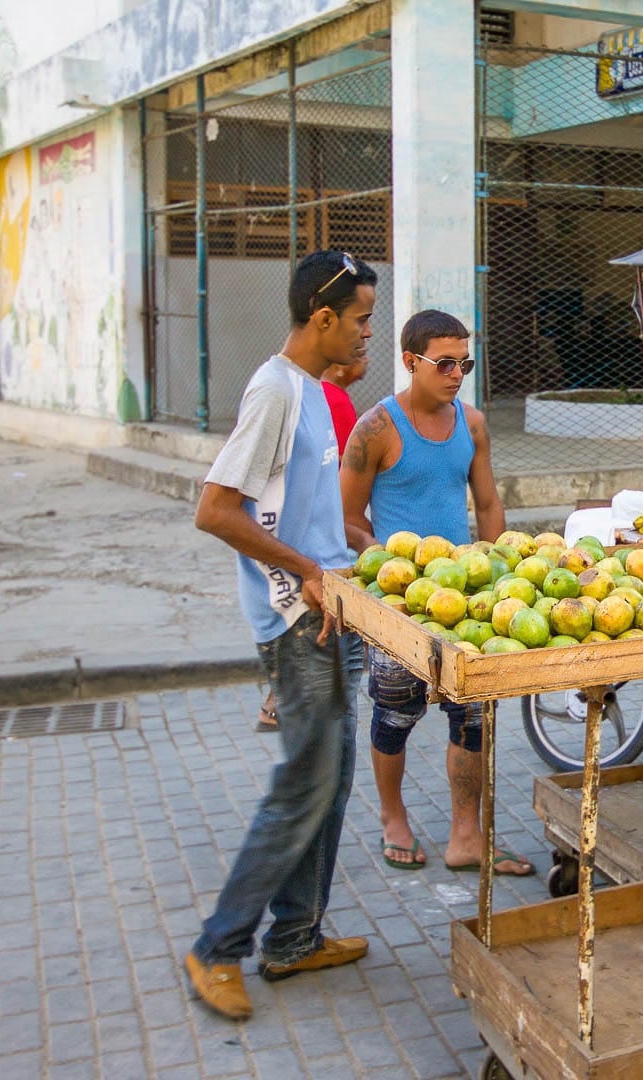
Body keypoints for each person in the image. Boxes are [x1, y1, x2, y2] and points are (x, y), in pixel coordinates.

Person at [185, 250, 377, 1020]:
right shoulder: (273, 392)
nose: (368, 333)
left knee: (329, 783)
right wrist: (306, 569)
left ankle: (295, 937)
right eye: (361, 321)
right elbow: (216, 510)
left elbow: (297, 496)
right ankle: (216, 948)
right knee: (303, 786)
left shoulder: (308, 390)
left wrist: (352, 551)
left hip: (333, 612)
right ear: (323, 319)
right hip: (298, 623)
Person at [337, 310, 528, 876]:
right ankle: (393, 817)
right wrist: (386, 562)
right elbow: (346, 519)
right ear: (410, 362)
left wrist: (503, 577)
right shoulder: (376, 428)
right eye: (444, 363)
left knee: (473, 714)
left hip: (467, 596)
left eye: (464, 363)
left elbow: (489, 504)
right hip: (397, 601)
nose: (456, 374)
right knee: (396, 713)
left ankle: (466, 835)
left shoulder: (471, 423)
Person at [260, 343, 371, 733]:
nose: (366, 348)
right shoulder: (330, 401)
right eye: (359, 329)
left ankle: (277, 701)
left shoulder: (311, 395)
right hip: (317, 587)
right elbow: (329, 492)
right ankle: (278, 702)